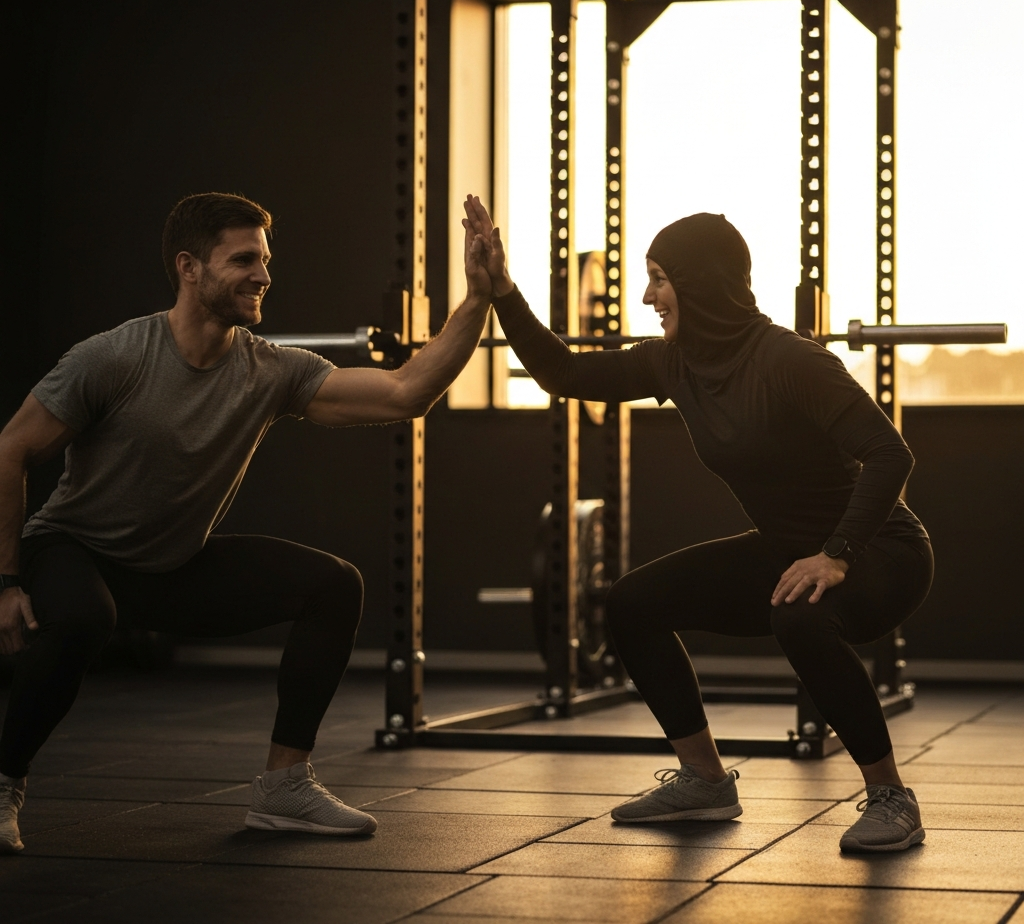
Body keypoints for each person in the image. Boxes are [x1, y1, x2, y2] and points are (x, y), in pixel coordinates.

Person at [0, 192, 493, 854]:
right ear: (189, 268)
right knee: (87, 617)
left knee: (333, 584)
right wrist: (5, 581)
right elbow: (12, 451)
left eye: (265, 259)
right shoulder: (114, 357)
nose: (263, 275)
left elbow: (406, 393)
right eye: (243, 260)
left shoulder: (268, 370)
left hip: (170, 565)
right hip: (73, 551)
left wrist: (479, 298)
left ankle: (285, 789)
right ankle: (4, 782)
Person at [463, 196, 933, 854]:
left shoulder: (791, 360)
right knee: (633, 602)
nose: (648, 294)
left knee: (799, 615)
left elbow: (890, 454)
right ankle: (705, 779)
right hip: (793, 548)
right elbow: (562, 371)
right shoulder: (672, 361)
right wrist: (501, 291)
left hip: (881, 552)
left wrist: (836, 554)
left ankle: (890, 797)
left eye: (659, 277)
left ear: (700, 284)